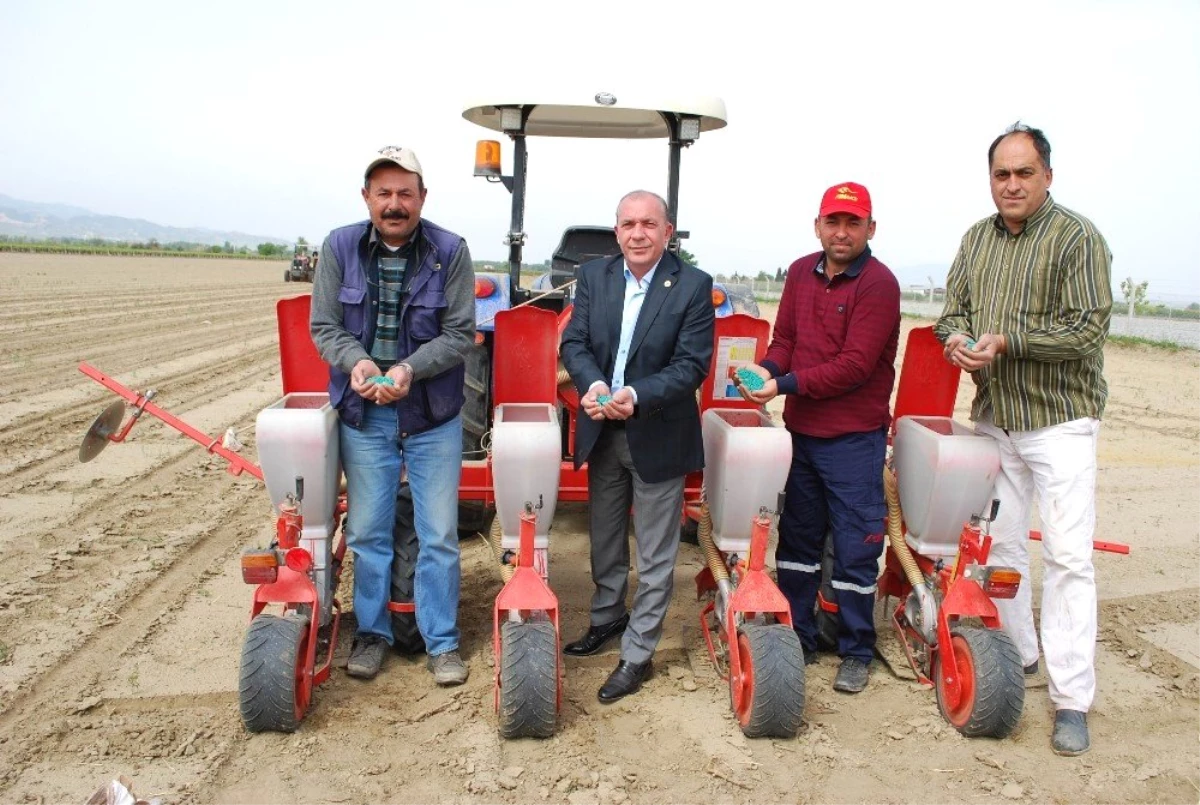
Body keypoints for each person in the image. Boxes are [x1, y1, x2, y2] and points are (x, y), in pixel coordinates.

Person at [935, 122, 1112, 756]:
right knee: (1001, 551)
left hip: (1060, 421)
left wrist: (1009, 342)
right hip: (996, 420)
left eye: (1023, 173)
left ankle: (1072, 700)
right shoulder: (976, 240)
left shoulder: (1077, 237)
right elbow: (952, 314)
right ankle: (1019, 658)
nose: (1011, 184)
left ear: (1047, 176)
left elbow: (1085, 331)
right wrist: (956, 342)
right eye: (1001, 174)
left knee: (1068, 558)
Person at [310, 146, 476, 685]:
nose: (395, 203)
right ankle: (372, 634)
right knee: (368, 533)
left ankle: (441, 642)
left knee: (439, 535)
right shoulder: (339, 246)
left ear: (422, 198)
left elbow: (459, 334)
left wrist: (407, 370)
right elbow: (324, 327)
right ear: (367, 197)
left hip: (431, 413)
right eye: (384, 192)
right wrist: (357, 362)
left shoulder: (449, 250)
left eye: (406, 192)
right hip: (365, 412)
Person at [734, 182, 900, 694]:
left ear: (870, 229)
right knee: (799, 543)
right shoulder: (802, 272)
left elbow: (854, 366)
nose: (842, 232)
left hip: (853, 439)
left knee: (855, 549)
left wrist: (780, 385)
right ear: (818, 225)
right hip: (802, 434)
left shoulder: (879, 284)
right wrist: (763, 370)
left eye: (853, 223)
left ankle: (856, 650)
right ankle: (800, 638)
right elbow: (785, 340)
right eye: (834, 222)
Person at [559, 190, 715, 703]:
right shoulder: (594, 277)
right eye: (628, 224)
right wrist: (595, 386)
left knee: (654, 553)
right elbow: (574, 344)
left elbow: (691, 365)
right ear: (617, 230)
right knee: (604, 536)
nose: (637, 233)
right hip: (603, 427)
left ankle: (638, 653)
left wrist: (636, 394)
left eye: (649, 223)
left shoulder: (692, 286)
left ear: (668, 232)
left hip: (657, 431)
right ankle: (607, 617)